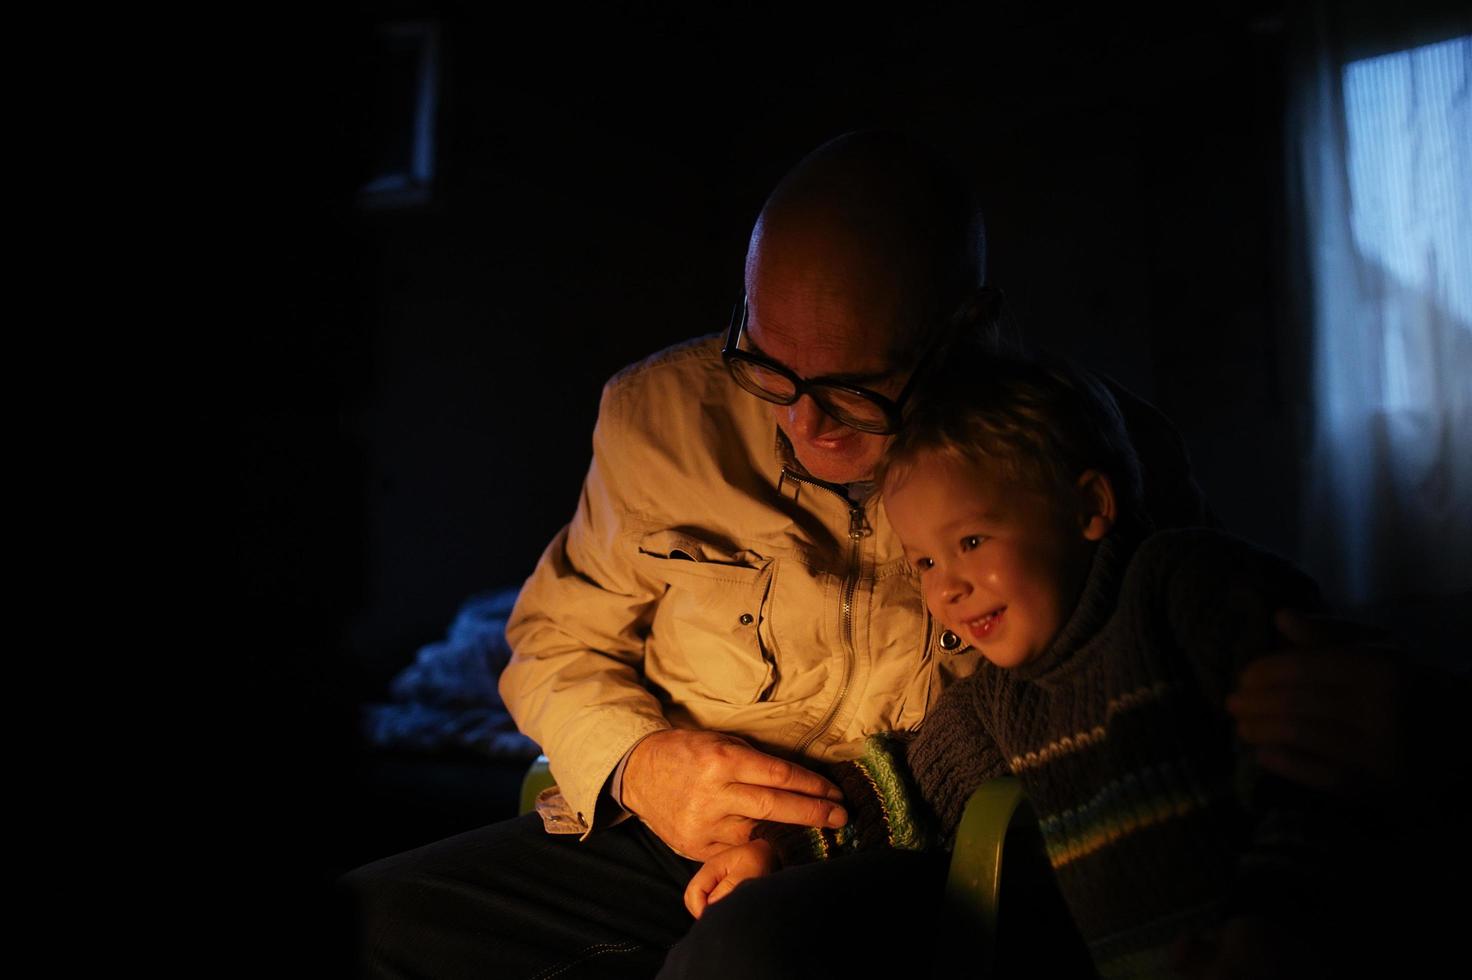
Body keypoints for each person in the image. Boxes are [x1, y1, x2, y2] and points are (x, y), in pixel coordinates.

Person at [342, 131, 1412, 979]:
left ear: (965, 327)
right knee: (368, 922)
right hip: (675, 830)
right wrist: (638, 761)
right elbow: (543, 640)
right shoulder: (655, 416)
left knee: (756, 951)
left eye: (853, 388)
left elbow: (1222, 641)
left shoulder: (1070, 445)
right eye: (769, 368)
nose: (805, 428)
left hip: (918, 849)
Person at [684, 351, 1370, 977]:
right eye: (925, 561)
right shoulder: (1001, 700)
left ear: (1089, 507)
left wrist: (1268, 924)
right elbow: (895, 791)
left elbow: (1319, 765)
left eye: (973, 540)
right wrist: (774, 847)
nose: (946, 587)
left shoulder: (1182, 587)